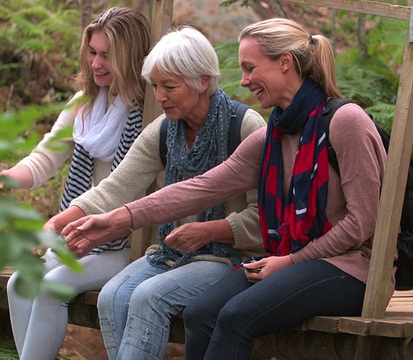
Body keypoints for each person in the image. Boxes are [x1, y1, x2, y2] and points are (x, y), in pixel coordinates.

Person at [62, 18, 389, 360]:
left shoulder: (346, 122)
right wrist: (121, 218)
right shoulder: (272, 136)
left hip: (351, 268)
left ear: (285, 63)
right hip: (290, 258)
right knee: (201, 313)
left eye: (249, 68)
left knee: (235, 318)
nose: (244, 81)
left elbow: (362, 223)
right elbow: (200, 189)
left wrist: (291, 260)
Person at [45, 25, 266, 360]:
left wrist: (210, 230)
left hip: (229, 257)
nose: (159, 95)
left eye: (170, 86)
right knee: (112, 296)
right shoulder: (164, 129)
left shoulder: (246, 127)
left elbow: (264, 217)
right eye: (156, 86)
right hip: (171, 252)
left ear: (203, 81)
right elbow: (117, 187)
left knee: (149, 296)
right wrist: (61, 221)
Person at [1, 7, 151, 360]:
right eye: (93, 53)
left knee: (52, 286)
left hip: (128, 244)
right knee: (19, 284)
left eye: (107, 56)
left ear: (129, 58)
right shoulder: (84, 103)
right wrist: (8, 178)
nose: (96, 64)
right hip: (80, 232)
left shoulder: (150, 109)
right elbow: (45, 157)